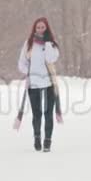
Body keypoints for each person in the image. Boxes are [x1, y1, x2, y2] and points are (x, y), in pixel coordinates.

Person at [18, 17, 60, 152]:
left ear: (46, 28)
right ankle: (37, 137)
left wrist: (47, 43)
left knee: (48, 114)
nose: (40, 29)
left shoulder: (52, 44)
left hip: (48, 83)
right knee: (37, 114)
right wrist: (28, 72)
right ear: (34, 29)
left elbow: (51, 58)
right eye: (38, 27)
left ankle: (47, 141)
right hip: (33, 84)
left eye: (43, 27)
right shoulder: (29, 44)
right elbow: (21, 63)